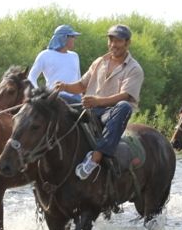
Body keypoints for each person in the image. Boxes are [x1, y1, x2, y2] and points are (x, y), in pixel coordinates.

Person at [55, 24, 144, 180]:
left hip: (110, 113)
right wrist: (64, 87)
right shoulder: (99, 62)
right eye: (111, 40)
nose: (113, 44)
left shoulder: (134, 68)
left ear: (127, 43)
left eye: (118, 41)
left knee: (124, 107)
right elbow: (81, 85)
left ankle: (95, 158)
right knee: (57, 99)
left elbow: (125, 96)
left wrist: (98, 102)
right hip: (88, 108)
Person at [28, 24, 82, 104]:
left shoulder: (74, 56)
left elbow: (79, 79)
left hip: (76, 99)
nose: (75, 39)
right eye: (72, 36)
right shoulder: (45, 55)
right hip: (55, 100)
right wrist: (39, 95)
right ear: (64, 37)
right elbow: (31, 77)